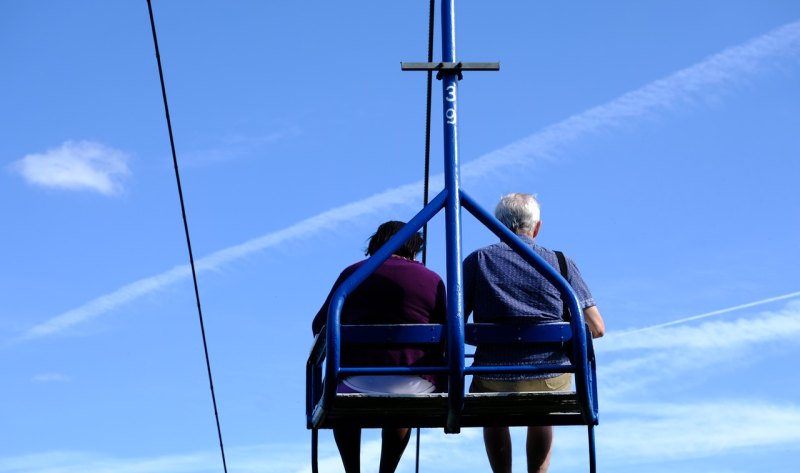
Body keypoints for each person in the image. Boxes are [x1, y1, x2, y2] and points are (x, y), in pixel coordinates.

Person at [463, 193, 605, 473]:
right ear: (536, 227)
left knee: (492, 414)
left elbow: (454, 322)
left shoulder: (477, 261)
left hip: (493, 376)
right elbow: (597, 327)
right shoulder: (561, 262)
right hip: (549, 376)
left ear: (497, 226)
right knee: (543, 410)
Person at [312, 220, 447, 473]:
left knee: (343, 402)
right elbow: (448, 332)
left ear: (375, 244)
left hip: (355, 380)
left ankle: (352, 470)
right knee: (402, 401)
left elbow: (320, 326)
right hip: (416, 383)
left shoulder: (352, 274)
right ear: (413, 248)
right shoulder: (432, 280)